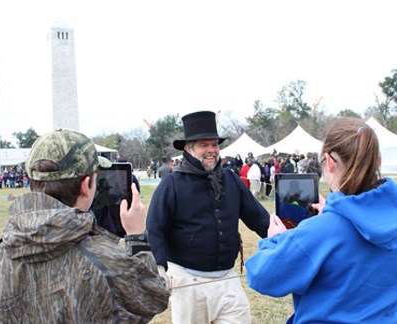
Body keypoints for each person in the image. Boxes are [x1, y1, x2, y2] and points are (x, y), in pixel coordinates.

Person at [0, 129, 169, 323]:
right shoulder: (102, 259)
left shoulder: (8, 244)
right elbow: (152, 297)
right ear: (86, 185)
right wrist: (136, 236)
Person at [246, 117, 397, 323]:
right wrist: (338, 213)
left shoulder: (321, 231)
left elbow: (261, 275)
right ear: (377, 161)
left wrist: (276, 239)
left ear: (331, 162)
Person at [146, 111, 270, 324]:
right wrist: (159, 268)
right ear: (188, 148)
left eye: (214, 145)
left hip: (227, 278)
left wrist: (286, 239)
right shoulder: (172, 184)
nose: (211, 150)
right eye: (204, 145)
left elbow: (259, 219)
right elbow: (155, 228)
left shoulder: (231, 179)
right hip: (188, 281)